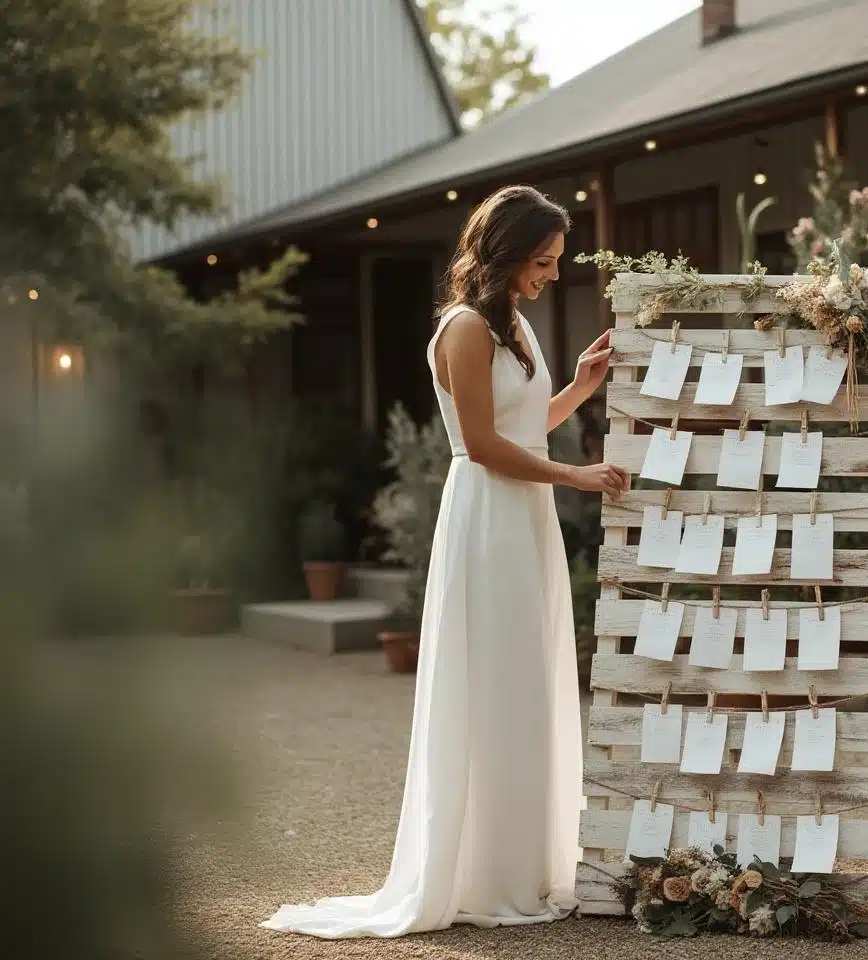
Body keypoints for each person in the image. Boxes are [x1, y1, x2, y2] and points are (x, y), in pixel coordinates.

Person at [261, 185, 627, 938]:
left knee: (528, 678)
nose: (554, 273)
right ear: (507, 255)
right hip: (489, 514)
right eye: (544, 260)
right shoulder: (463, 327)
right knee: (491, 679)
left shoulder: (515, 324)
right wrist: (577, 478)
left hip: (524, 515)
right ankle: (479, 873)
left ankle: (522, 862)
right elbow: (485, 445)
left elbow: (523, 423)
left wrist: (580, 389)